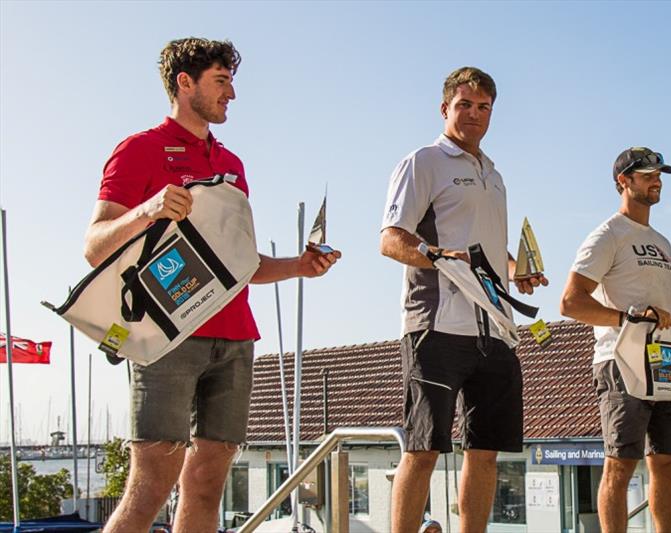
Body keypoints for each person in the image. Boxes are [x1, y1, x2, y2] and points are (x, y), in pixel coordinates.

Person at [83, 38, 340, 533]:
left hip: (236, 335)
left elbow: (239, 265)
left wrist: (300, 266)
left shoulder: (233, 164)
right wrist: (149, 209)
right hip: (166, 336)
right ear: (185, 82)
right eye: (221, 81)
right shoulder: (139, 149)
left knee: (207, 486)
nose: (233, 95)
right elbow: (95, 246)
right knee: (150, 487)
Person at [380, 66, 546, 533]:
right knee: (423, 447)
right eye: (465, 105)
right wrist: (435, 256)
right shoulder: (423, 161)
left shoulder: (494, 174)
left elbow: (489, 248)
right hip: (435, 326)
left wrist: (518, 271)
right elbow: (391, 240)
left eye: (484, 107)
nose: (474, 114)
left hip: (495, 328)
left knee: (486, 450)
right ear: (445, 108)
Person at [560, 147, 671, 532]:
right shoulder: (606, 235)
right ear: (623, 181)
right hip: (621, 359)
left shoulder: (662, 243)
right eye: (647, 174)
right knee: (620, 464)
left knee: (666, 462)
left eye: (659, 174)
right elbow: (570, 302)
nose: (657, 180)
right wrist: (626, 319)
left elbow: (657, 308)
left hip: (665, 358)